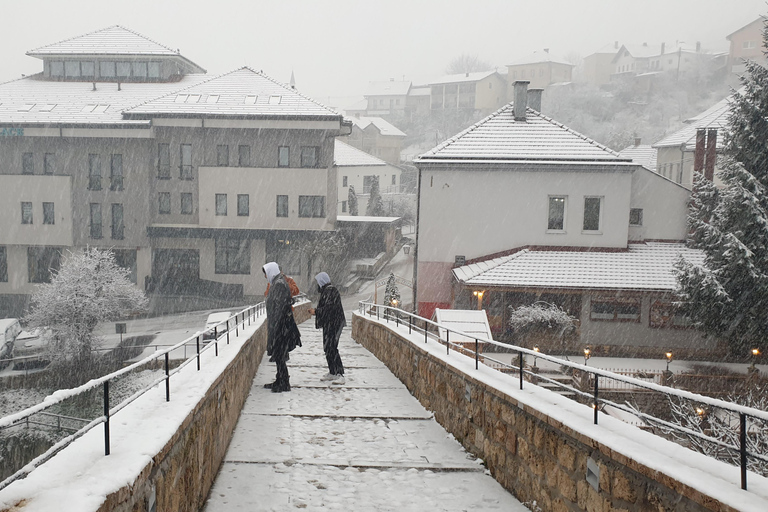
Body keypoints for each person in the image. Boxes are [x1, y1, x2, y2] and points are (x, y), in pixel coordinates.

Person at [262, 262, 301, 392]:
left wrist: (276, 327)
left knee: (280, 355)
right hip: (281, 324)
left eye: (266, 273)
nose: (265, 276)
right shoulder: (279, 282)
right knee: (280, 355)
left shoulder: (278, 284)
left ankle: (284, 383)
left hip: (281, 326)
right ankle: (280, 379)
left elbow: (279, 307)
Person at [309, 272, 346, 383]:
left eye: (318, 282)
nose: (317, 285)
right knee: (328, 348)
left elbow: (330, 309)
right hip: (330, 323)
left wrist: (316, 311)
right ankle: (332, 372)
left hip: (334, 324)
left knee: (332, 347)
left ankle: (339, 374)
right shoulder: (327, 291)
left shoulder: (331, 291)